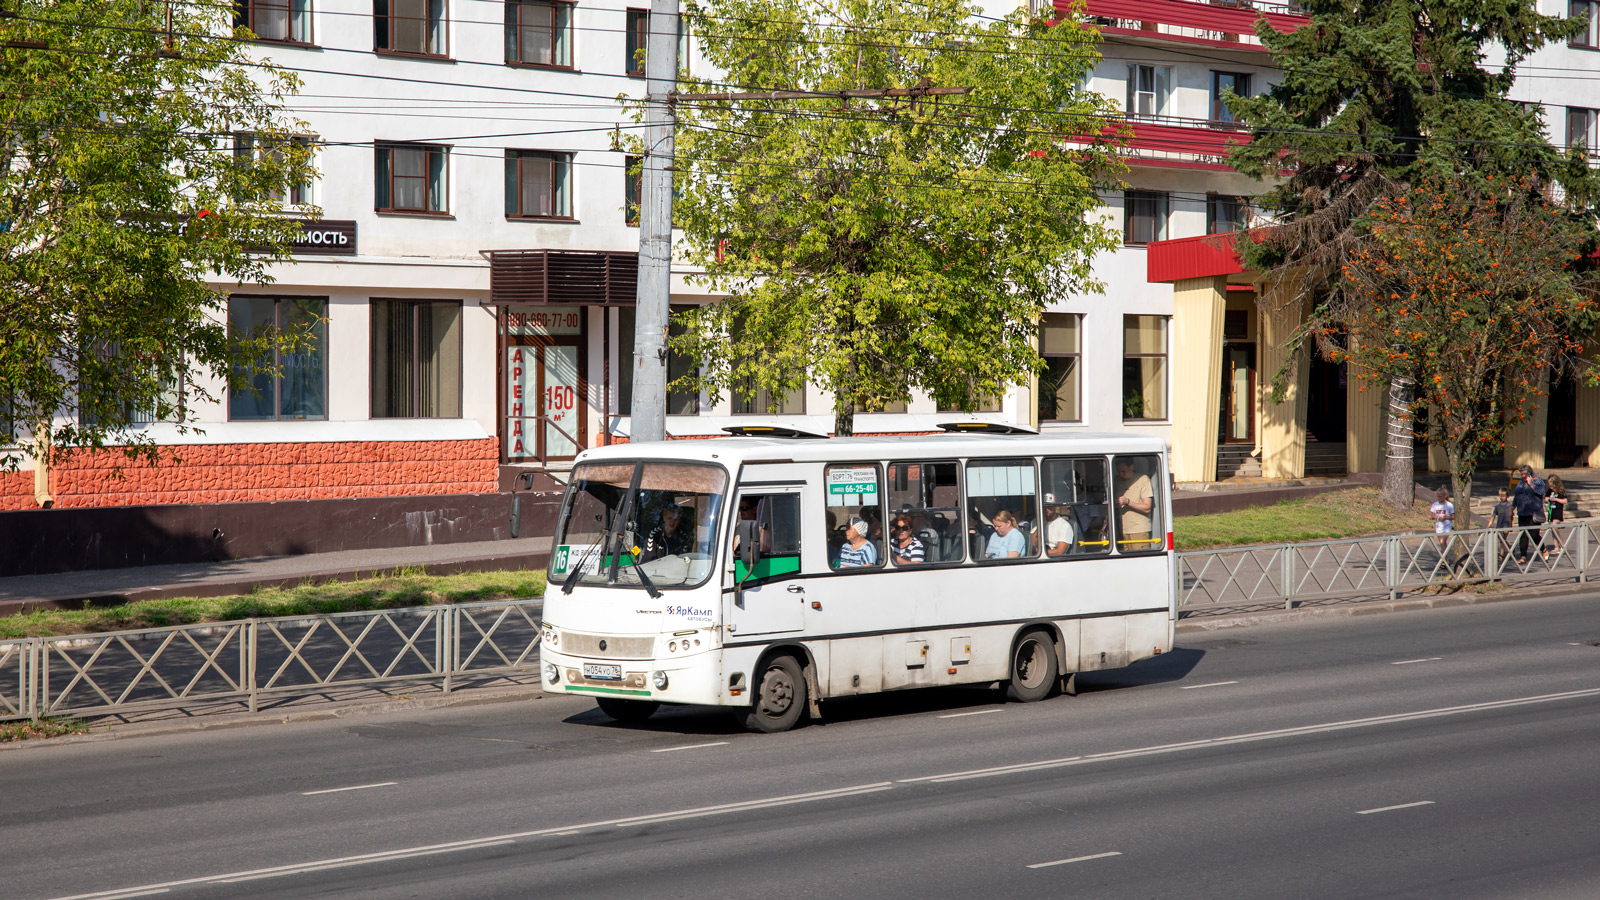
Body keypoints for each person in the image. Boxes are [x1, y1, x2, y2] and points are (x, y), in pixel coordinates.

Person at [1113, 460, 1155, 551]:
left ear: (1131, 467)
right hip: (1122, 529)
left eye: (1123, 471)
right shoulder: (1117, 480)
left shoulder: (1143, 479)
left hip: (1138, 530)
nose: (1121, 475)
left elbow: (1147, 507)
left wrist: (1127, 502)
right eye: (1119, 471)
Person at [1511, 465, 1547, 564]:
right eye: (1521, 474)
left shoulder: (1537, 481)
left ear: (1530, 473)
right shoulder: (1520, 483)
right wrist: (1512, 507)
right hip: (1522, 512)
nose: (1523, 476)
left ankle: (1543, 548)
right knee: (1523, 535)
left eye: (1525, 474)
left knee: (1534, 534)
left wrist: (1531, 484)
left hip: (1534, 512)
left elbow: (1541, 492)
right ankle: (1523, 556)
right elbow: (1517, 496)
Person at [1545, 474, 1568, 559]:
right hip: (1552, 511)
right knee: (1552, 528)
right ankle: (1556, 547)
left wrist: (1556, 499)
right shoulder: (1549, 491)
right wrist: (1547, 499)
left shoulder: (1560, 491)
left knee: (1555, 525)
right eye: (1550, 486)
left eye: (1552, 486)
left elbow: (1565, 501)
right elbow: (1546, 498)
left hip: (1558, 511)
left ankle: (1563, 545)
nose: (1551, 487)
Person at [1429, 487, 1455, 565]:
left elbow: (1453, 517)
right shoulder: (1435, 505)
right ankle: (1446, 559)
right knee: (1442, 543)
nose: (1438, 498)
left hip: (1447, 526)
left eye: (1440, 496)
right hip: (1439, 526)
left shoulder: (1449, 505)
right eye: (1437, 496)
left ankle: (1443, 560)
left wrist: (1445, 517)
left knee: (1442, 541)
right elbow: (1432, 515)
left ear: (1445, 496)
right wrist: (1435, 517)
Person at [1042, 493, 1073, 557]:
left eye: (1049, 506)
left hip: (1054, 560)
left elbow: (1060, 551)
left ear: (1055, 507)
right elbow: (1032, 544)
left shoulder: (1064, 526)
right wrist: (1042, 525)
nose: (1046, 509)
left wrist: (1039, 552)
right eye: (1044, 506)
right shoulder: (1039, 523)